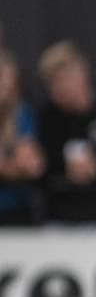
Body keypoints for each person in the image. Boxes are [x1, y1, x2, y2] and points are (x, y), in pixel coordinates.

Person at [34, 42, 96, 224]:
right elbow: (40, 165)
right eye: (52, 82)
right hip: (57, 218)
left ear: (81, 76)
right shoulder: (47, 118)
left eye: (62, 80)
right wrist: (66, 168)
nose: (58, 88)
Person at [0, 52, 42, 225]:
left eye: (11, 80)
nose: (7, 85)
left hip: (16, 210)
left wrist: (8, 166)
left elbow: (32, 167)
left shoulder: (23, 115)